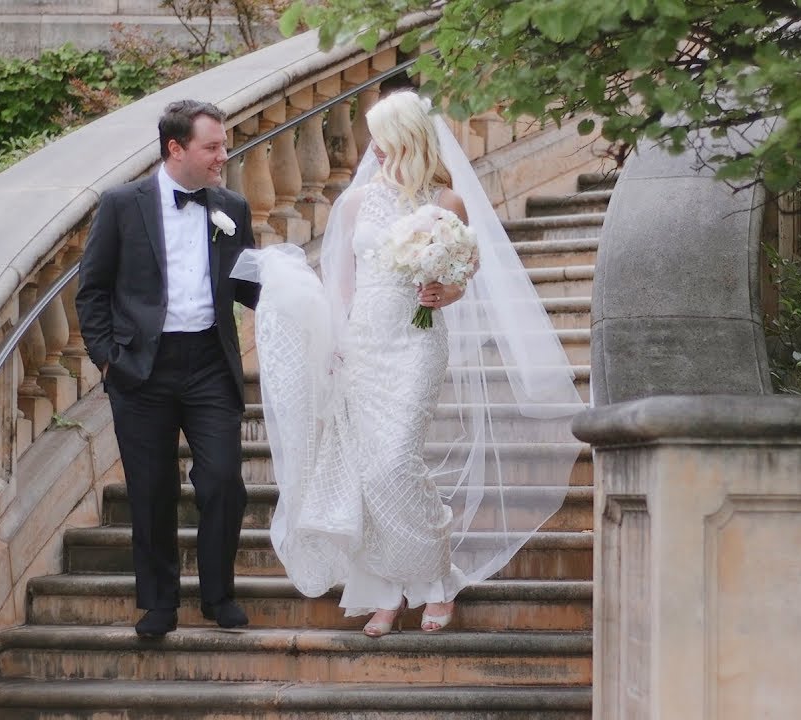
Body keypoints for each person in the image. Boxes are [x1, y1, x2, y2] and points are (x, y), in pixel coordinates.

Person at [232, 90, 583, 636]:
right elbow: (341, 289)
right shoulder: (354, 204)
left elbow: (466, 279)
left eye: (382, 137)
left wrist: (447, 292)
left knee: (396, 462)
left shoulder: (448, 205)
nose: (374, 148)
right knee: (371, 473)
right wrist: (336, 348)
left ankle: (435, 581)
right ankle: (389, 589)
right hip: (364, 346)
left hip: (417, 345)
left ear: (408, 139)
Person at [76, 100, 261, 638]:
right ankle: (159, 603)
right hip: (142, 370)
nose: (222, 156)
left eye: (223, 145)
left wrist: (297, 296)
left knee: (224, 480)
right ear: (175, 148)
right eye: (212, 147)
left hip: (209, 361)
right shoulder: (120, 205)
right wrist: (108, 361)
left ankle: (217, 594)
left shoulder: (233, 207)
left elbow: (250, 286)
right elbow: (92, 290)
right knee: (151, 489)